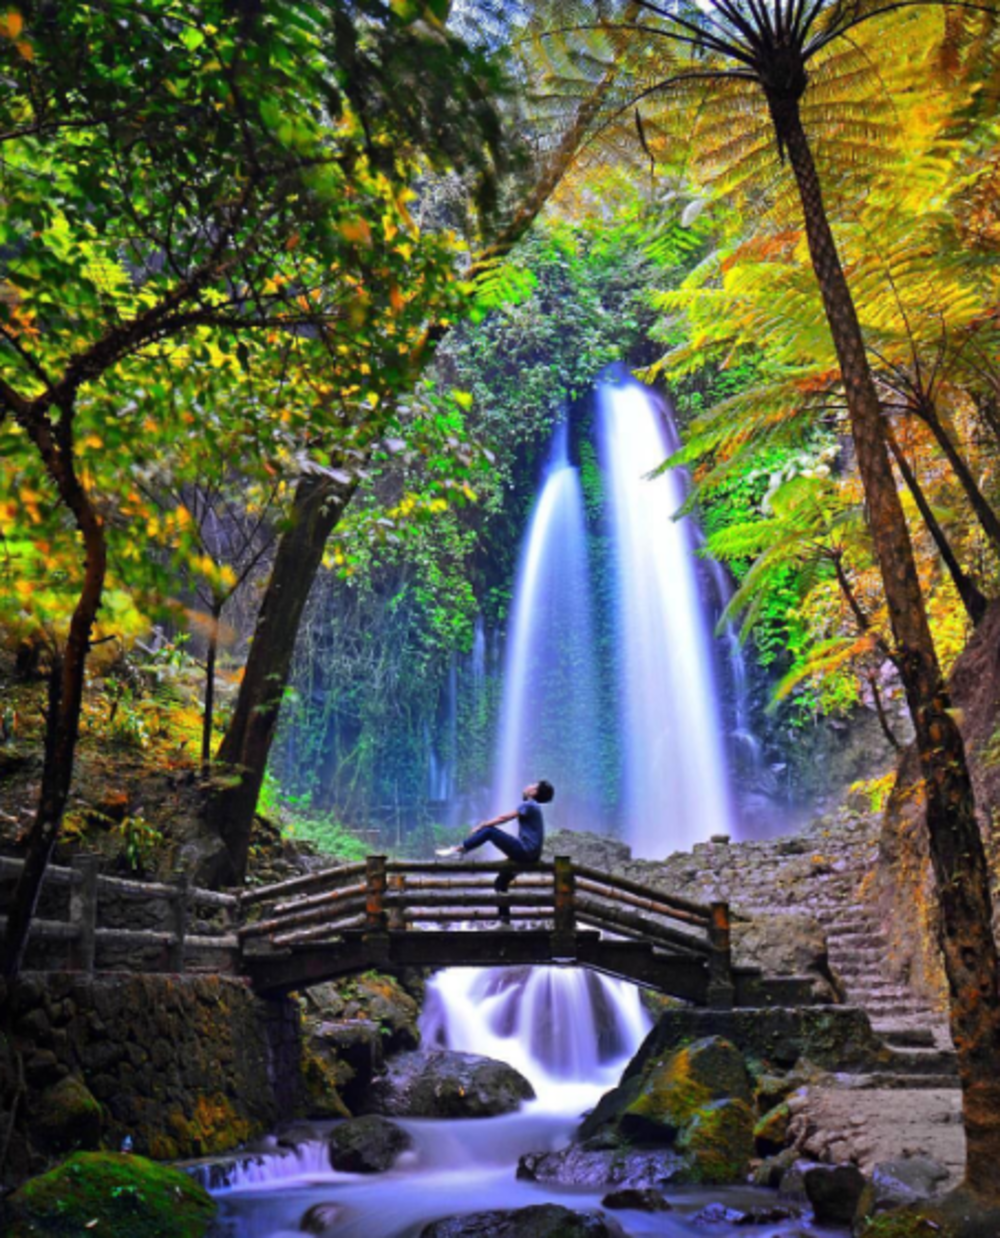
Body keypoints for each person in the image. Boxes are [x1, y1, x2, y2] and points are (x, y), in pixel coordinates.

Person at [436, 781, 555, 920]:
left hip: (524, 852)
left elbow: (504, 818)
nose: (528, 785)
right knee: (500, 882)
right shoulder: (534, 807)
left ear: (534, 792)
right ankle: (504, 920)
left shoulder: (529, 805)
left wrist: (483, 824)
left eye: (532, 785)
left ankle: (460, 849)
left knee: (489, 832)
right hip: (531, 855)